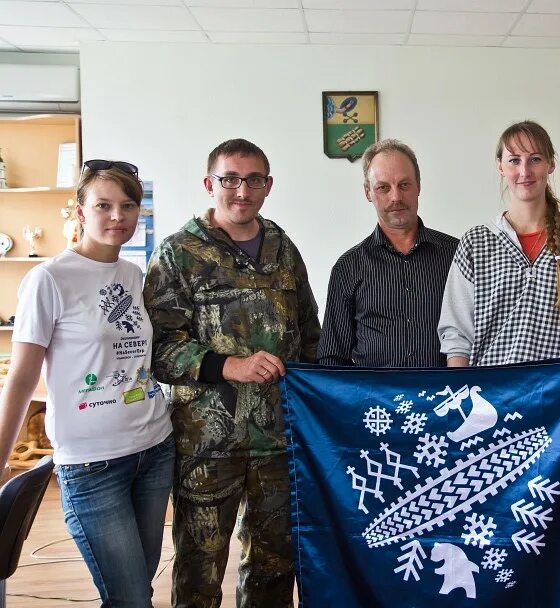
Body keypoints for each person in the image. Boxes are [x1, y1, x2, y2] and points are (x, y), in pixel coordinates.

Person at [143, 138, 321, 607]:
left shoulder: (283, 248)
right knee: (200, 568)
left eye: (254, 180)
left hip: (278, 441)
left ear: (268, 185)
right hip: (207, 445)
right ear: (210, 184)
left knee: (273, 567)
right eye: (230, 179)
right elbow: (160, 350)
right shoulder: (178, 253)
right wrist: (231, 366)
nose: (242, 190)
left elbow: (310, 337)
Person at [0, 160, 173, 607]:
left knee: (136, 590)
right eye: (103, 205)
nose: (118, 216)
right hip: (92, 465)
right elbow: (20, 379)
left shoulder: (134, 276)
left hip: (154, 450)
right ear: (79, 211)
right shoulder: (48, 280)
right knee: (130, 597)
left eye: (129, 205)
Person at [438, 120, 560, 366]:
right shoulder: (475, 242)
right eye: (514, 160)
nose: (525, 171)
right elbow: (457, 334)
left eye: (535, 159)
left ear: (551, 164)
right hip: (494, 396)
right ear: (500, 166)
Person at [318, 139, 458, 367]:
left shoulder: (457, 256)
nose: (396, 197)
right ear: (368, 192)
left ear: (419, 186)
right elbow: (333, 358)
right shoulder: (348, 267)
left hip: (443, 399)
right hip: (374, 402)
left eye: (404, 185)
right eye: (383, 187)